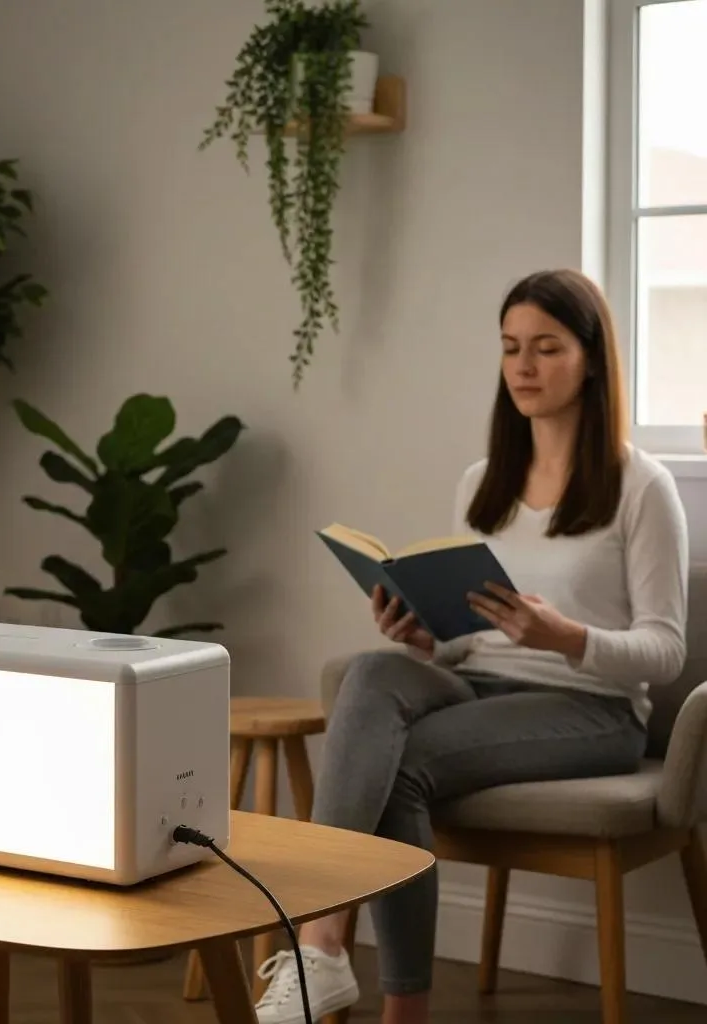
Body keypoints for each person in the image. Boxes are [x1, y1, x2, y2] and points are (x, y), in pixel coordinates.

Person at [253, 268, 689, 1024]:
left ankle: (353, 971)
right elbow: (467, 639)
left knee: (403, 769)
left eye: (547, 348)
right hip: (482, 685)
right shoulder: (483, 482)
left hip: (590, 709)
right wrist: (425, 636)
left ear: (591, 359)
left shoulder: (641, 487)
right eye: (512, 347)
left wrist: (568, 637)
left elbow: (666, 649)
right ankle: (324, 952)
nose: (524, 365)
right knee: (373, 671)